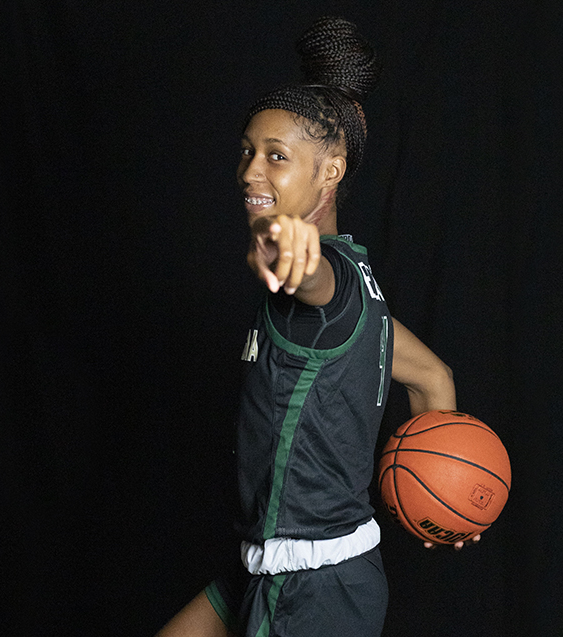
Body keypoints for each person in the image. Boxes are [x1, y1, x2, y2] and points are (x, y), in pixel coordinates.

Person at [157, 16, 472, 637]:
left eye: (277, 157)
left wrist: (283, 245)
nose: (251, 171)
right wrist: (435, 492)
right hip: (279, 566)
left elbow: (306, 275)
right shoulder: (361, 284)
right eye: (247, 151)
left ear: (331, 172)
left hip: (311, 585)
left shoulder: (328, 280)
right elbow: (433, 378)